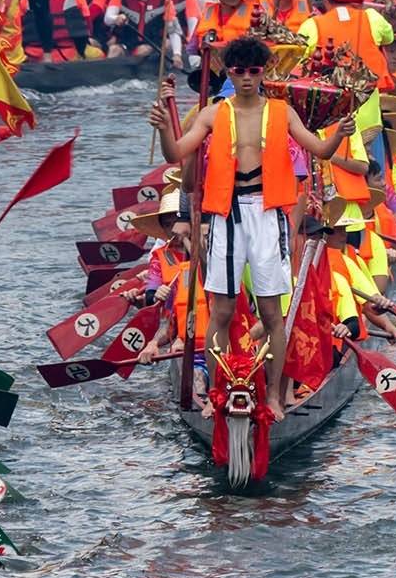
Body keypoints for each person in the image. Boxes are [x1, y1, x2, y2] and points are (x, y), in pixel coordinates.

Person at [150, 35, 376, 404]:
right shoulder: (212, 114)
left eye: (254, 71)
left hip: (268, 214)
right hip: (225, 214)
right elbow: (175, 152)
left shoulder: (283, 112)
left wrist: (340, 134)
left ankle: (273, 396)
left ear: (263, 73)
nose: (246, 78)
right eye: (239, 71)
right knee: (221, 311)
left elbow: (320, 150)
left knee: (271, 313)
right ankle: (219, 394)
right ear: (229, 72)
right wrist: (163, 127)